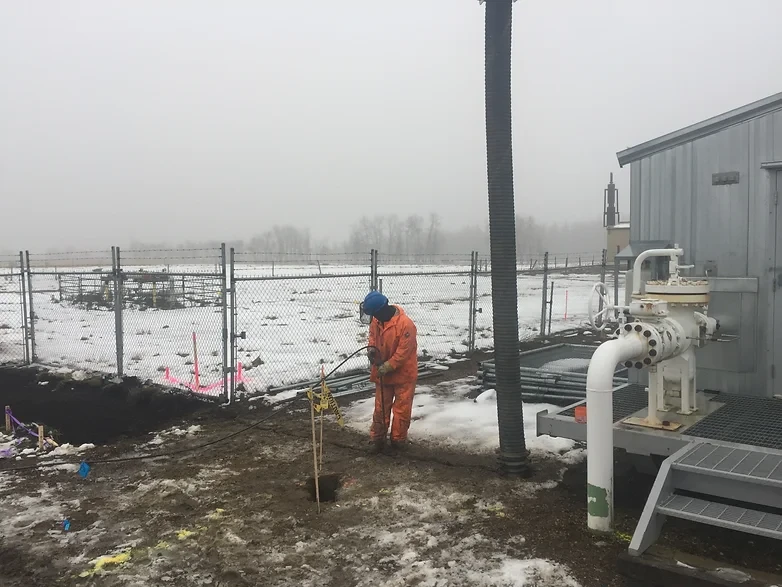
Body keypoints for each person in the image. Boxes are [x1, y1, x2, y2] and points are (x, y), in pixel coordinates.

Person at [361, 290, 418, 454]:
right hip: (382, 373)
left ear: (381, 310)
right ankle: (377, 439)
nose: (373, 318)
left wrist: (387, 366)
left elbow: (403, 352)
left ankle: (398, 440)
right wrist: (372, 349)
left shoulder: (406, 325)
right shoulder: (376, 322)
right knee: (380, 408)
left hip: (403, 374)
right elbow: (372, 337)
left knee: (401, 409)